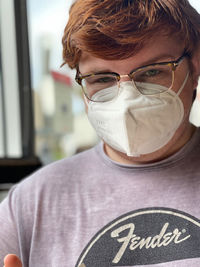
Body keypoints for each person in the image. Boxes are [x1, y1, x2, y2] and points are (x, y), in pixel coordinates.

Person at [1, 0, 200, 266]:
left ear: (195, 68)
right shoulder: (29, 204)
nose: (128, 101)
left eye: (152, 72)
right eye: (102, 79)